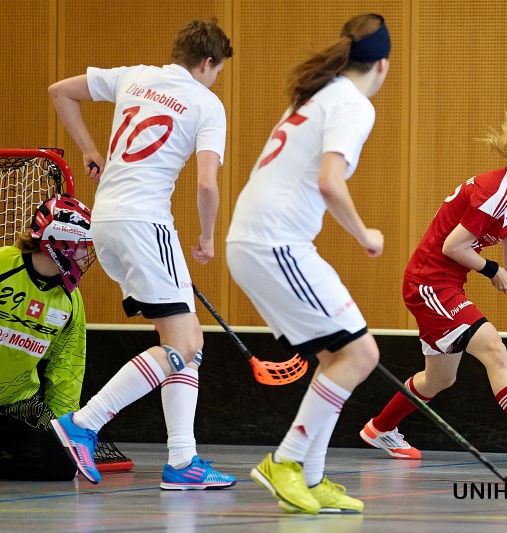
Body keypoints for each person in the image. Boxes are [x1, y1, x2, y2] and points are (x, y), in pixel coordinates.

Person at [47, 18, 236, 490]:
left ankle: (183, 461)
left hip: (104, 220)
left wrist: (90, 150)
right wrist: (209, 238)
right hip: (145, 224)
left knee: (187, 344)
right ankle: (83, 424)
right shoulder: (207, 104)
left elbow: (58, 90)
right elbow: (208, 183)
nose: (215, 80)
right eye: (217, 71)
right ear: (209, 62)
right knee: (184, 345)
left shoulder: (133, 75)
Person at [225, 13, 390, 514]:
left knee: (335, 357)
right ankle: (286, 460)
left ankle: (312, 476)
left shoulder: (317, 96)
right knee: (362, 355)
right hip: (274, 243)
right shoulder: (353, 104)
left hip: (256, 241)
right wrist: (365, 234)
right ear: (382, 66)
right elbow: (329, 180)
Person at [360, 113, 507, 469]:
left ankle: (380, 428)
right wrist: (490, 269)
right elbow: (453, 247)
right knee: (494, 348)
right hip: (429, 282)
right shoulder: (495, 192)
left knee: (439, 378)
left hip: (444, 283)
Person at [0, 194, 94, 481]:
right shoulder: (4, 264)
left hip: (17, 403)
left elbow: (67, 369)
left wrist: (65, 430)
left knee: (61, 464)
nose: (84, 255)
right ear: (59, 243)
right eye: (81, 247)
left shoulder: (70, 300)